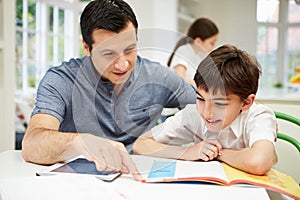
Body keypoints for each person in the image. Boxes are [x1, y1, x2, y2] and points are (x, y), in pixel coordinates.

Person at [22, 0, 196, 180]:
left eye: (129, 50)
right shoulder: (61, 80)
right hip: (81, 186)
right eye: (108, 53)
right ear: (87, 48)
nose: (122, 64)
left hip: (143, 184)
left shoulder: (159, 76)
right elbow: (31, 145)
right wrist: (81, 142)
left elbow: (209, 108)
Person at [133, 44, 278, 175]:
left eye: (220, 104)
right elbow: (140, 144)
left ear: (246, 103)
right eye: (201, 99)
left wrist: (218, 153)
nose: (207, 113)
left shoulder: (259, 116)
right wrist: (189, 152)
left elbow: (259, 163)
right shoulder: (194, 114)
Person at [167, 18, 219, 86]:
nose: (214, 46)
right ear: (198, 41)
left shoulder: (198, 57)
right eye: (212, 43)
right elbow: (179, 79)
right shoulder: (184, 50)